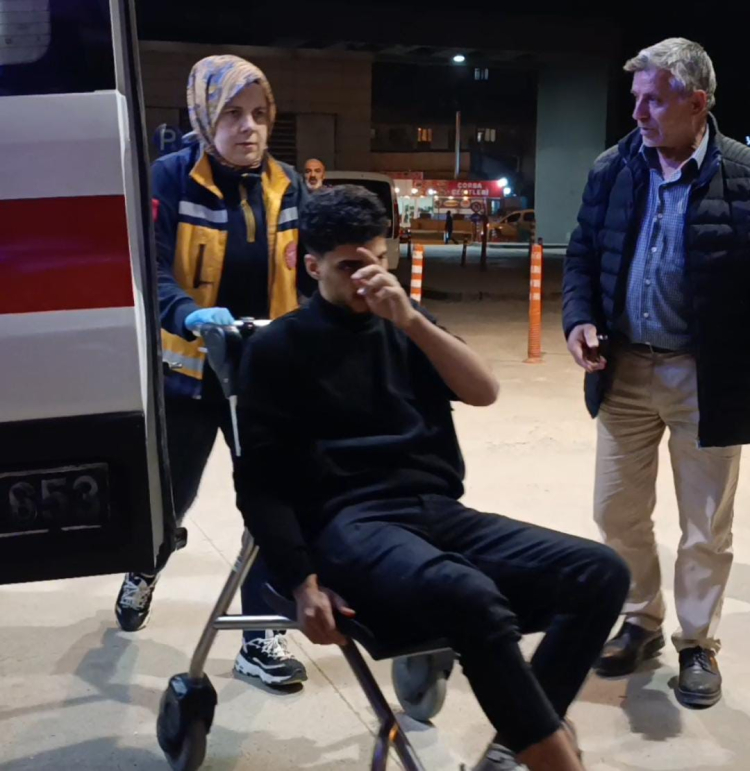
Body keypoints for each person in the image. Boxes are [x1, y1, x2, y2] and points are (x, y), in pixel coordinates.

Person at [235, 185, 630, 770]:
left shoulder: (405, 324)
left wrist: (413, 321)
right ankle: (551, 759)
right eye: (349, 267)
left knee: (599, 572)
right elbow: (260, 483)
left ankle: (517, 744)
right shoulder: (278, 348)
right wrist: (301, 581)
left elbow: (484, 390)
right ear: (312, 266)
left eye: (377, 260)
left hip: (433, 509)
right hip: (347, 523)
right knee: (469, 596)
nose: (368, 278)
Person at [563, 38, 750, 708]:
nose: (638, 112)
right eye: (635, 98)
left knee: (705, 525)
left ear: (697, 103)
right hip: (624, 371)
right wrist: (579, 318)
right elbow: (582, 253)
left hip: (706, 379)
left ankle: (697, 643)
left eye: (654, 100)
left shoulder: (742, 174)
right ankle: (640, 620)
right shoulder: (615, 167)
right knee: (615, 510)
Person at [114, 55, 309, 687]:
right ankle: (145, 566)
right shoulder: (171, 178)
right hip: (190, 376)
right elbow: (150, 266)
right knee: (171, 498)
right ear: (204, 116)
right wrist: (188, 314)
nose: (249, 127)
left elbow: (311, 268)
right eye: (232, 114)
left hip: (267, 377)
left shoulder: (285, 184)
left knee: (273, 504)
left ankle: (261, 636)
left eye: (259, 114)